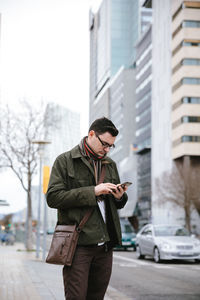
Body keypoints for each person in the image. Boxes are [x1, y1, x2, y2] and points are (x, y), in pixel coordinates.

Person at [46, 117, 128, 300]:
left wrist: (119, 196)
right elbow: (53, 197)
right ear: (91, 134)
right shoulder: (65, 161)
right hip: (78, 245)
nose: (107, 150)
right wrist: (93, 192)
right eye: (105, 144)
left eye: (111, 146)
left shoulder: (110, 164)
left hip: (106, 246)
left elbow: (118, 204)